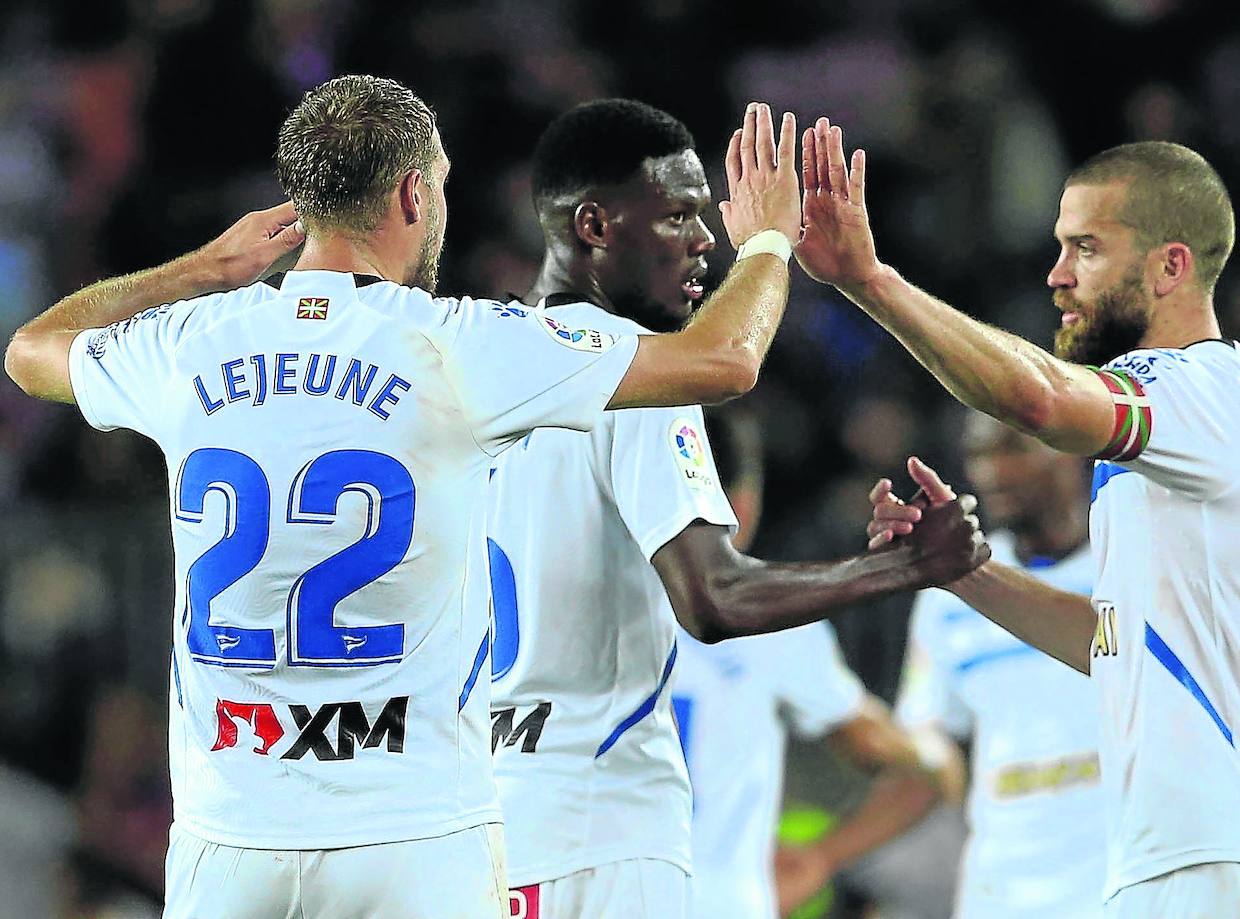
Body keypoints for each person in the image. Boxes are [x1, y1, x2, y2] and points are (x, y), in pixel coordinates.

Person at [3, 75, 811, 919]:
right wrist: (766, 244)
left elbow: (31, 350)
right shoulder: (457, 344)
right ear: (414, 193)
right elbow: (725, 361)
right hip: (416, 836)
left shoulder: (193, 342)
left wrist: (200, 270)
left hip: (228, 837)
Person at [795, 120, 1240, 916]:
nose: (1058, 275)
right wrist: (970, 574)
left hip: (1214, 858)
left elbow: (1040, 400)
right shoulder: (1223, 425)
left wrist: (870, 279)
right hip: (1223, 852)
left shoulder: (1197, 387)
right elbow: (1119, 644)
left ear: (1171, 266)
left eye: (1086, 248)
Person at [484, 99, 989, 919]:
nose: (703, 241)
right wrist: (907, 563)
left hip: (490, 834)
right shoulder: (639, 377)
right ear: (594, 226)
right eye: (680, 215)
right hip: (610, 845)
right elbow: (713, 597)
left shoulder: (476, 367)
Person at [780, 413, 1107, 918]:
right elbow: (938, 761)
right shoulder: (950, 601)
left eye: (1013, 447)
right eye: (979, 453)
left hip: (1132, 886)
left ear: (1073, 446)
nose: (994, 470)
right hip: (1002, 896)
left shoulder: (1132, 566)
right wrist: (874, 739)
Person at [672, 406, 962, 919]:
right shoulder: (769, 616)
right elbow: (891, 756)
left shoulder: (570, 600)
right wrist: (935, 756)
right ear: (741, 503)